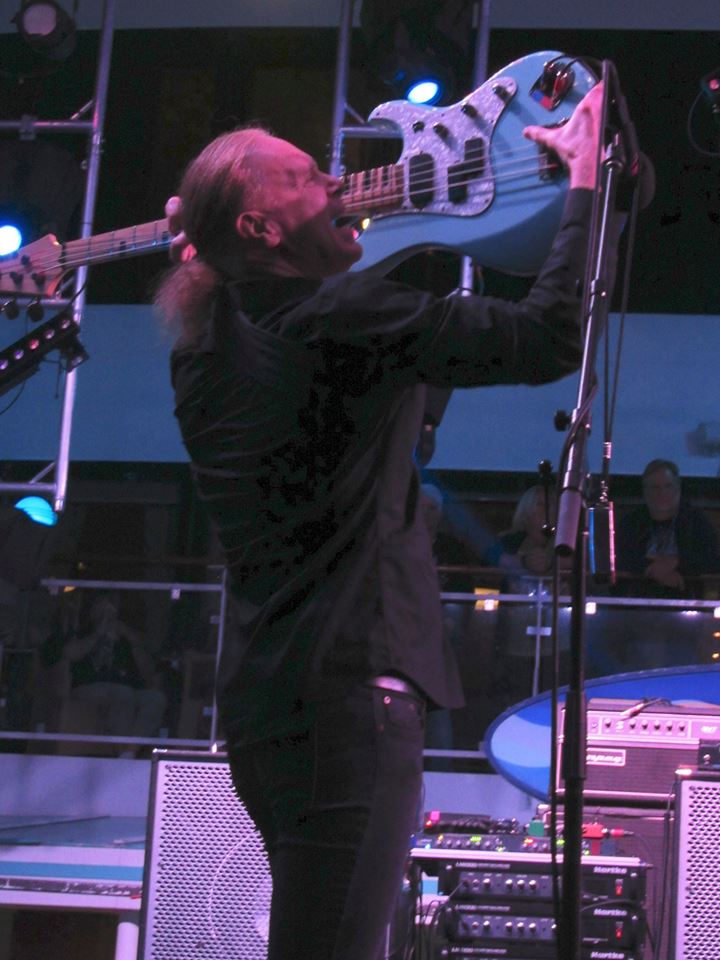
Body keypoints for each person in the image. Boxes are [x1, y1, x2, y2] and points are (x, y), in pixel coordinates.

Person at [156, 82, 611, 960]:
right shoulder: (336, 318)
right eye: (307, 178)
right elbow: (548, 335)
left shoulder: (204, 345)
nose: (338, 181)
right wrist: (586, 183)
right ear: (259, 229)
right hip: (351, 702)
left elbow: (371, 383)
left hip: (268, 704)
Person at [62, 592, 166, 750]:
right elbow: (70, 654)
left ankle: (129, 752)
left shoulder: (126, 637)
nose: (107, 613)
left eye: (110, 608)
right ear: (92, 612)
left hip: (125, 689)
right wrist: (98, 634)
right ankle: (122, 751)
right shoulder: (83, 631)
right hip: (88, 687)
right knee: (122, 693)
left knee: (155, 699)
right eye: (101, 607)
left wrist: (131, 639)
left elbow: (148, 673)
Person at [615, 459, 720, 598]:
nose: (662, 493)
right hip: (636, 598)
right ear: (645, 491)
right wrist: (654, 570)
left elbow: (712, 560)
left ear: (678, 488)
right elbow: (618, 559)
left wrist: (677, 562)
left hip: (688, 597)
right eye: (655, 488)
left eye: (668, 486)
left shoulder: (696, 522)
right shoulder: (631, 522)